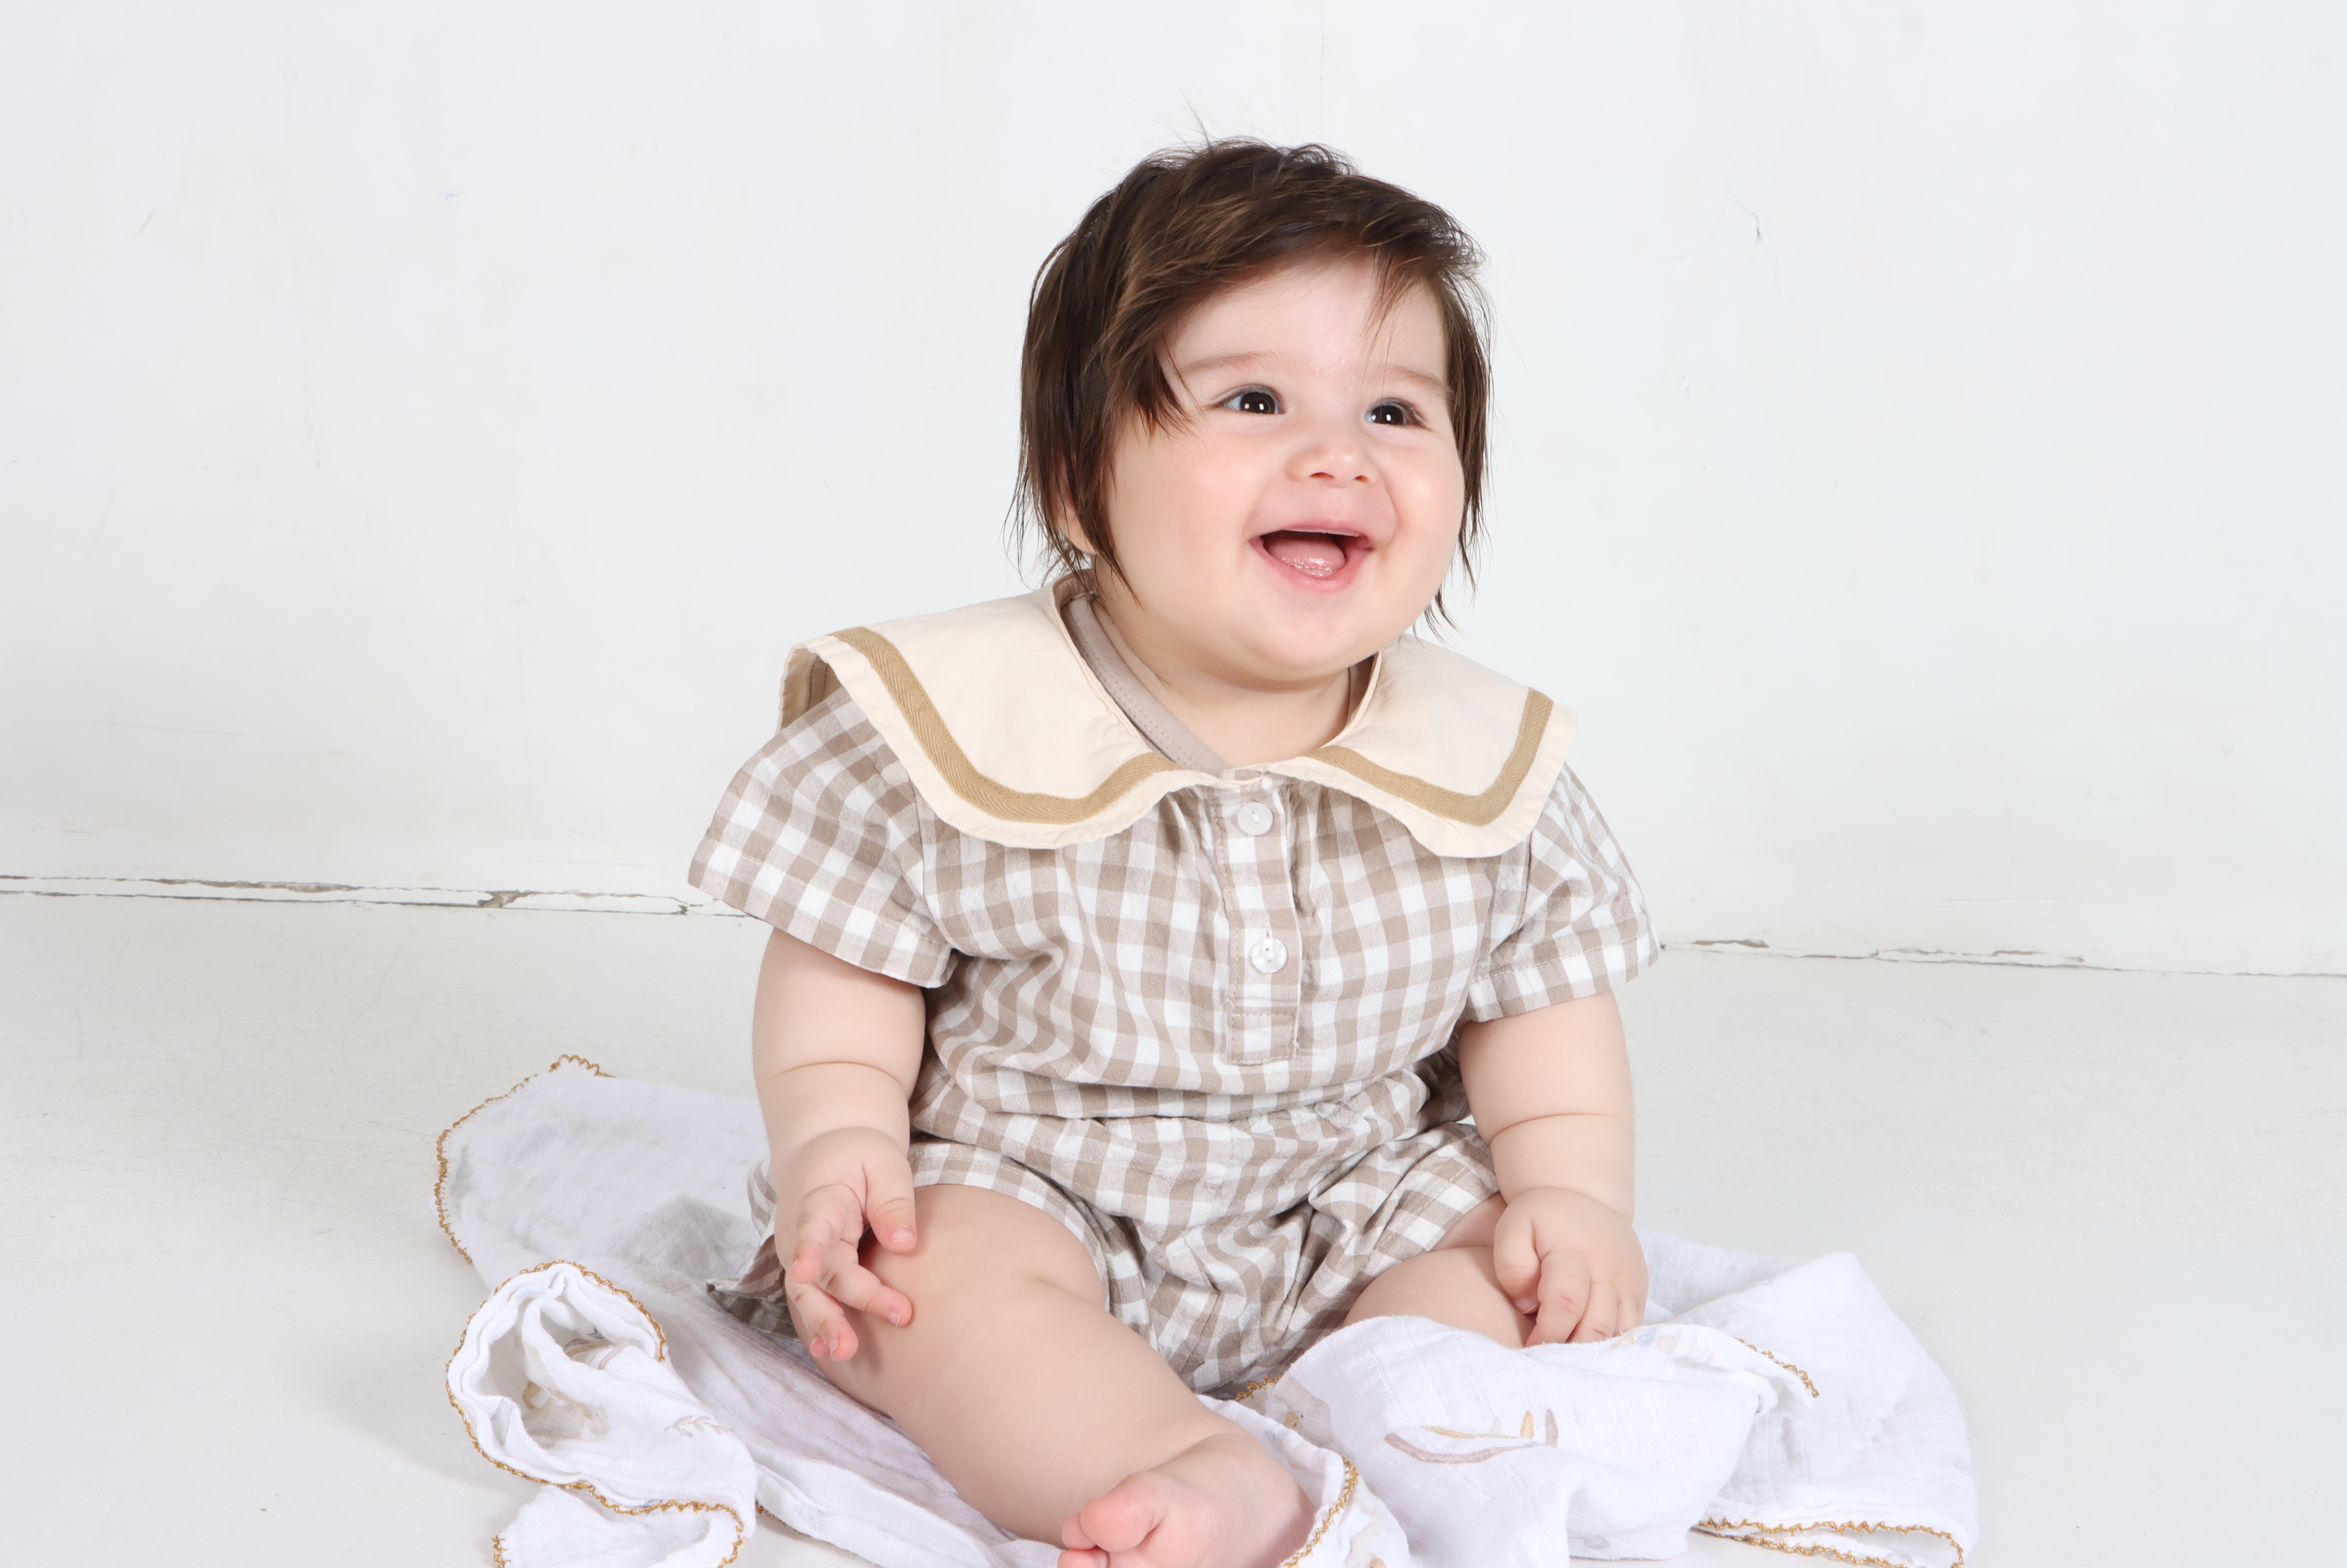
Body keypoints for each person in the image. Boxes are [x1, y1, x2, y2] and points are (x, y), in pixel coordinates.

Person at [691, 140, 1656, 1568]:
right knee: (918, 1282)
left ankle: (1386, 1427)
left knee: (1500, 1270)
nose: (1339, 453)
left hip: (1355, 1199)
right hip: (1038, 1186)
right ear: (1078, 485)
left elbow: (1543, 1022)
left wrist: (1572, 1194)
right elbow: (845, 984)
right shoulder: (950, 731)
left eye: (1396, 410)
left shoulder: (1482, 763)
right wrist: (838, 1140)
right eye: (1254, 401)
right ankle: (1180, 1467)